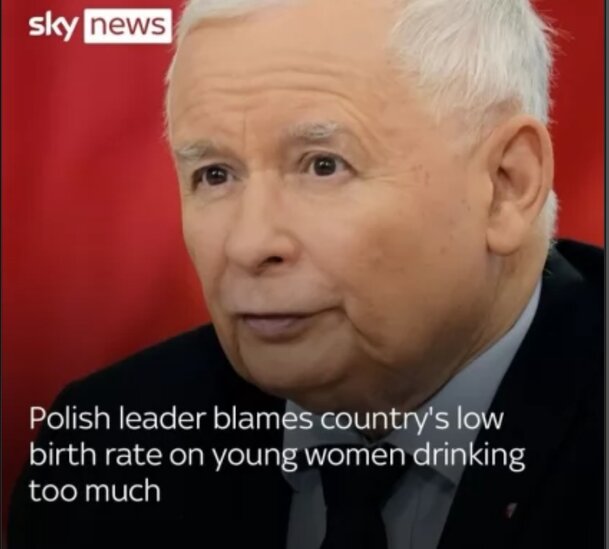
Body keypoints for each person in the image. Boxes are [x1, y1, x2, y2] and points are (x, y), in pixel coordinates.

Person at [9, 0, 603, 547]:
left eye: (323, 166)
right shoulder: (106, 444)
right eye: (215, 174)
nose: (248, 244)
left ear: (505, 186)